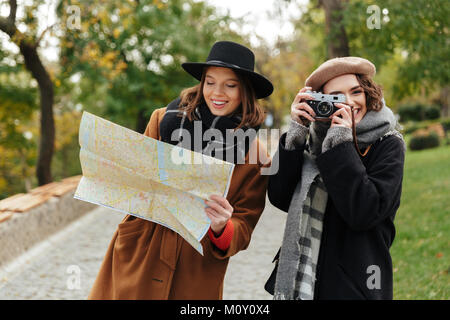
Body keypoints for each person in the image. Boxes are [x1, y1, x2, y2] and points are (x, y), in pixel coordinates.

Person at [88, 41, 273, 299]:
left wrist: (223, 227)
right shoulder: (163, 120)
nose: (217, 92)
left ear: (245, 91)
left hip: (195, 269)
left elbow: (244, 224)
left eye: (230, 85)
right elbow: (133, 180)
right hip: (142, 250)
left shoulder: (257, 155)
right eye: (210, 82)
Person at [268, 57, 405, 300]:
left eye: (356, 92)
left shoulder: (388, 143)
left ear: (369, 93)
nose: (349, 103)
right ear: (320, 102)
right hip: (305, 276)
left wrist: (341, 144)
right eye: (337, 97)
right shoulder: (313, 141)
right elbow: (280, 197)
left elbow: (364, 211)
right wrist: (296, 134)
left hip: (356, 283)